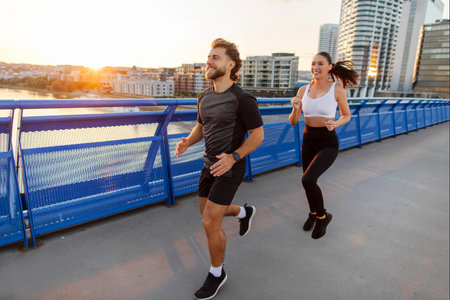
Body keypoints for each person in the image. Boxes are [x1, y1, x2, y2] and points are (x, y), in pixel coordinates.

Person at [175, 38, 264, 300]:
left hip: (231, 166)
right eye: (208, 56)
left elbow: (258, 136)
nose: (209, 61)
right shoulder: (204, 95)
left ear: (230, 64)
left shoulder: (242, 99)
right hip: (208, 165)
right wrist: (188, 141)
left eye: (216, 57)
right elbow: (202, 127)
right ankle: (245, 212)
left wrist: (234, 156)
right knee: (208, 214)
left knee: (209, 221)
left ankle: (217, 273)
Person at [289, 52, 358, 239]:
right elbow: (294, 121)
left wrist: (335, 123)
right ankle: (313, 213)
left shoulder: (337, 89)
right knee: (308, 182)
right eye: (313, 64)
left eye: (320, 64)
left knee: (308, 180)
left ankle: (322, 216)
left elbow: (346, 115)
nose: (315, 67)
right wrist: (295, 109)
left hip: (328, 142)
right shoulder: (303, 90)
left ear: (329, 67)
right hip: (308, 139)